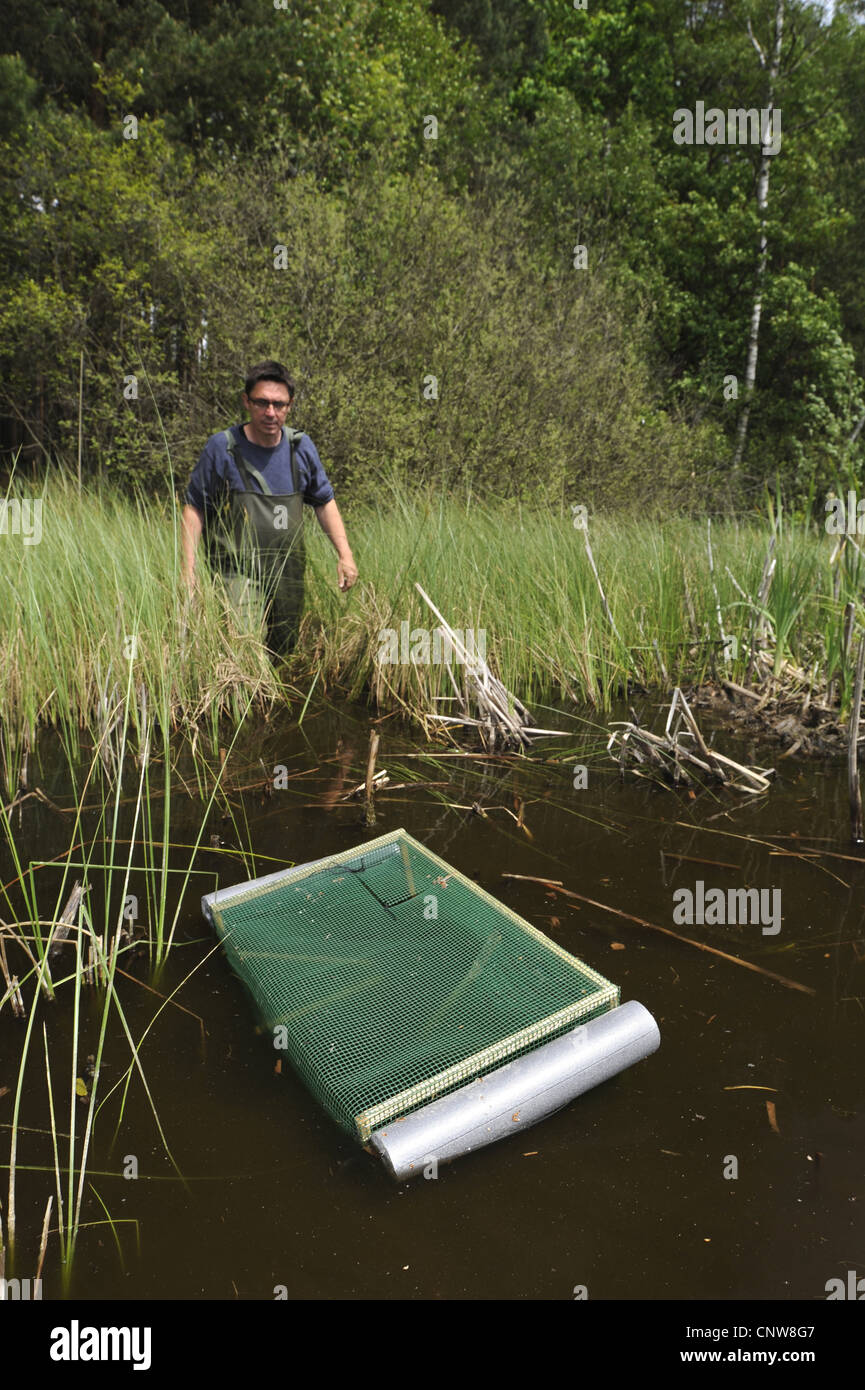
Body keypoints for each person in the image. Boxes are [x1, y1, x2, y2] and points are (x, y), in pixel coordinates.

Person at [181, 361, 357, 656]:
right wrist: (188, 571)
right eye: (262, 402)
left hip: (288, 571)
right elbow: (194, 509)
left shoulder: (301, 447)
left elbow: (324, 502)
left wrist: (345, 555)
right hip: (236, 569)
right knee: (245, 645)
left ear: (289, 406)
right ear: (246, 402)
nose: (270, 412)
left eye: (279, 404)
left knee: (283, 650)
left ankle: (270, 699)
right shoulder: (222, 448)